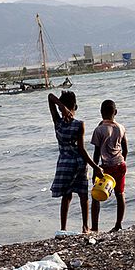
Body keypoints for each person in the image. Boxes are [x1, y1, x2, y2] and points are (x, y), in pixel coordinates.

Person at [48, 91, 104, 233]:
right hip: (79, 164)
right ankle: (85, 227)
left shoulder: (57, 123)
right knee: (83, 196)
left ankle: (63, 228)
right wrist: (95, 167)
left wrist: (61, 106)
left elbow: (50, 97)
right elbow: (82, 150)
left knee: (66, 197)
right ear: (75, 106)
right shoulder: (79, 124)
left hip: (64, 165)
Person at [90, 99, 128, 231]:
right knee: (120, 194)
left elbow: (96, 152)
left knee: (96, 195)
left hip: (105, 167)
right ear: (115, 112)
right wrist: (123, 162)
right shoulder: (121, 128)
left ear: (101, 113)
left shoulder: (99, 130)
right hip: (120, 164)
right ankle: (118, 224)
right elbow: (125, 148)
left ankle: (95, 227)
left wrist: (95, 169)